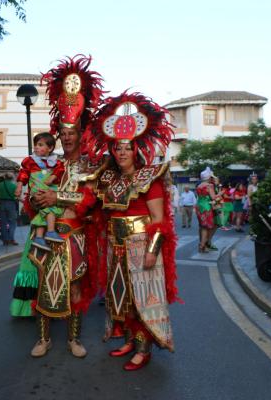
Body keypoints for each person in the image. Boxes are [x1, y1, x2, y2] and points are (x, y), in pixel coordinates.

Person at [12, 54, 104, 356]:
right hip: (45, 233)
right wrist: (34, 197)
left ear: (80, 134)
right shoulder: (50, 163)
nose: (66, 138)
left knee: (75, 287)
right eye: (62, 134)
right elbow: (32, 195)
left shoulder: (90, 165)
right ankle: (43, 338)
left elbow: (91, 200)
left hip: (74, 234)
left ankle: (73, 339)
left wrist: (58, 198)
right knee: (42, 286)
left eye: (71, 134)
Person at [88, 91, 179, 371]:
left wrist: (153, 251)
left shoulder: (149, 177)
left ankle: (143, 348)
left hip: (141, 244)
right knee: (121, 296)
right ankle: (128, 338)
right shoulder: (108, 178)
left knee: (143, 298)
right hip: (116, 244)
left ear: (136, 150)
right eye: (118, 148)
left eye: (127, 148)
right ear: (113, 152)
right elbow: (96, 206)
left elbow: (160, 219)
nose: (122, 152)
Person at [15, 132, 65, 251]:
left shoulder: (55, 161)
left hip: (50, 188)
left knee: (43, 210)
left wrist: (52, 178)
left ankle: (39, 238)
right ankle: (51, 231)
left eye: (40, 145)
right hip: (37, 187)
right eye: (36, 145)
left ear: (50, 148)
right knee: (48, 207)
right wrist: (19, 186)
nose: (36, 147)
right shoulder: (30, 160)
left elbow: (60, 170)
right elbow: (23, 173)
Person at [196, 167, 220, 253]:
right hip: (207, 207)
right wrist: (220, 193)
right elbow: (213, 197)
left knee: (203, 226)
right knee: (208, 227)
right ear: (208, 177)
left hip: (199, 206)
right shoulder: (210, 186)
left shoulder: (199, 185)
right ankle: (203, 245)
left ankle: (202, 245)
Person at [0, 173, 19, 246]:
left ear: (5, 177)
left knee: (3, 223)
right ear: (11, 178)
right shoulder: (14, 186)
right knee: (12, 222)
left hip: (2, 204)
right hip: (11, 204)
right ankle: (11, 239)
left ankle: (5, 240)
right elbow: (16, 196)